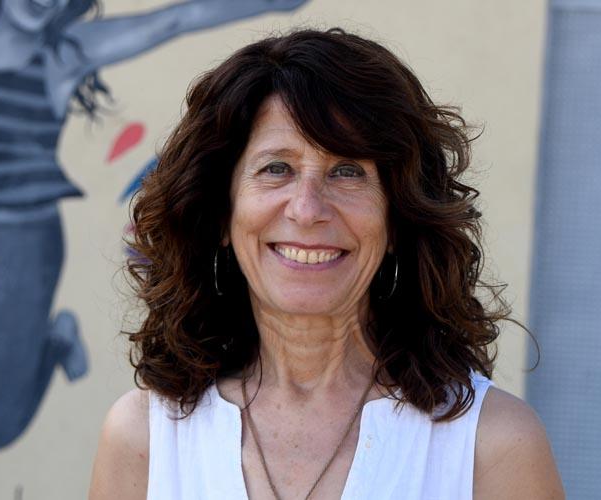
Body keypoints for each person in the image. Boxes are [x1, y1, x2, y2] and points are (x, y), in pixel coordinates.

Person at [89, 28, 565, 499]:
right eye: (277, 168)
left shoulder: (493, 446)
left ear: (397, 217)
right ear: (220, 214)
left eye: (347, 171)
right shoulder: (143, 441)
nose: (307, 209)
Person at [0, 0, 307, 449]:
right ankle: (8, 363)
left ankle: (52, 344)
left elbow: (173, 20)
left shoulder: (60, 55)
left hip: (17, 248)